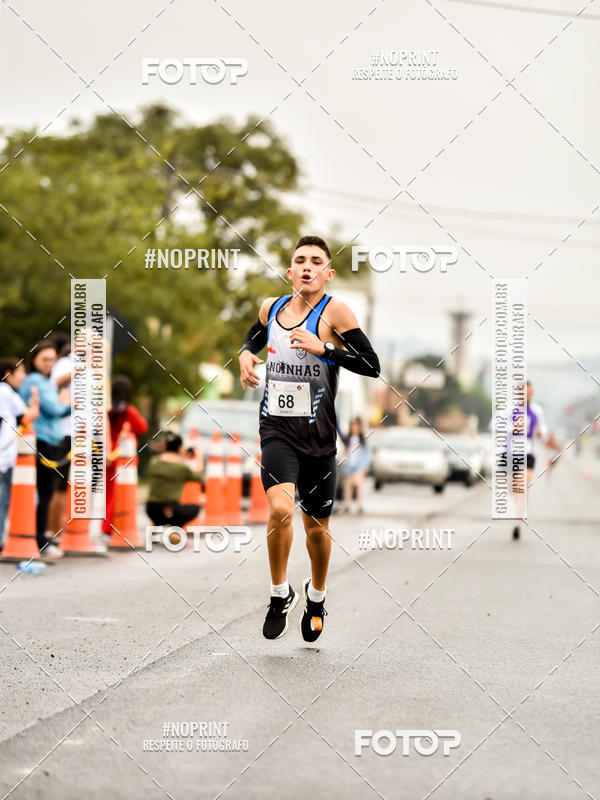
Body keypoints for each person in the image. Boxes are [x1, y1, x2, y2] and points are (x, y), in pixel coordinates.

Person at [239, 235, 380, 642]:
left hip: (319, 437)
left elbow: (372, 365)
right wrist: (246, 354)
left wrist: (326, 349)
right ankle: (278, 592)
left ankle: (316, 597)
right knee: (280, 509)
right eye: (299, 260)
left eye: (316, 261)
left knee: (317, 528)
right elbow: (254, 337)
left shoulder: (335, 310)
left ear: (327, 273)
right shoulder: (273, 308)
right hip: (277, 429)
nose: (307, 266)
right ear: (289, 271)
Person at [19, 341, 70, 558]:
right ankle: (40, 538)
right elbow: (56, 409)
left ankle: (41, 536)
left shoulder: (45, 381)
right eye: (44, 359)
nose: (49, 364)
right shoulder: (35, 381)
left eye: (52, 359)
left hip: (48, 440)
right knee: (44, 491)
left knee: (46, 491)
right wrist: (67, 402)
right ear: (34, 360)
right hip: (41, 441)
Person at [512, 381, 560, 540]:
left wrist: (541, 432)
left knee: (523, 484)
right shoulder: (510, 410)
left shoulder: (537, 411)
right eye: (524, 393)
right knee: (516, 488)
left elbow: (543, 428)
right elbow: (495, 425)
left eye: (529, 393)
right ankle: (520, 502)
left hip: (528, 453)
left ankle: (517, 523)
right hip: (511, 453)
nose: (526, 396)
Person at [101, 376, 148, 536]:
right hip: (125, 453)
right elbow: (142, 427)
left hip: (109, 452)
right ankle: (117, 524)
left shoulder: (108, 410)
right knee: (121, 491)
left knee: (109, 491)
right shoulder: (130, 411)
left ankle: (106, 525)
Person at [0, 358, 39, 550]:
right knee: (3, 498)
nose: (24, 376)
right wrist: (33, 404)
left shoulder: (7, 393)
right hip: (5, 453)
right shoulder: (5, 392)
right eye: (21, 372)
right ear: (8, 374)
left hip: (6, 453)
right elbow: (28, 415)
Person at [145, 432, 203, 529]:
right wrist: (199, 456)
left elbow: (168, 465)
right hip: (172, 511)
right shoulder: (182, 467)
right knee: (195, 508)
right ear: (180, 447)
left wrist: (180, 457)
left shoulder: (154, 462)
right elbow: (198, 476)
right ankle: (175, 529)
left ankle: (156, 525)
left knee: (159, 514)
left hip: (151, 510)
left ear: (165, 446)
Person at [47, 334, 72, 538]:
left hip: (76, 433)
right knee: (58, 484)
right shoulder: (66, 363)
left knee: (65, 485)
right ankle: (53, 531)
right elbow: (56, 383)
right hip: (63, 432)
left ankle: (59, 530)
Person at [340, 417, 370, 514]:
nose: (354, 429)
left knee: (359, 486)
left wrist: (365, 466)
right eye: (353, 426)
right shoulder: (348, 440)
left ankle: (360, 505)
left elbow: (366, 455)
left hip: (359, 467)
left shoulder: (362, 441)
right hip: (349, 466)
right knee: (347, 487)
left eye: (356, 427)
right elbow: (345, 453)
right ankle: (347, 505)